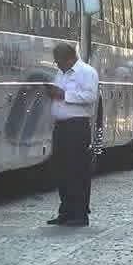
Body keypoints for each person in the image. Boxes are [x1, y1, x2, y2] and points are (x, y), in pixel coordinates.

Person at [47, 43, 99, 227]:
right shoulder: (61, 73)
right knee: (61, 170)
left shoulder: (87, 72)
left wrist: (64, 95)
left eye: (59, 61)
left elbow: (90, 96)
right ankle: (66, 211)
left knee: (77, 170)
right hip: (61, 127)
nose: (57, 65)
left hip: (77, 127)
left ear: (69, 58)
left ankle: (79, 213)